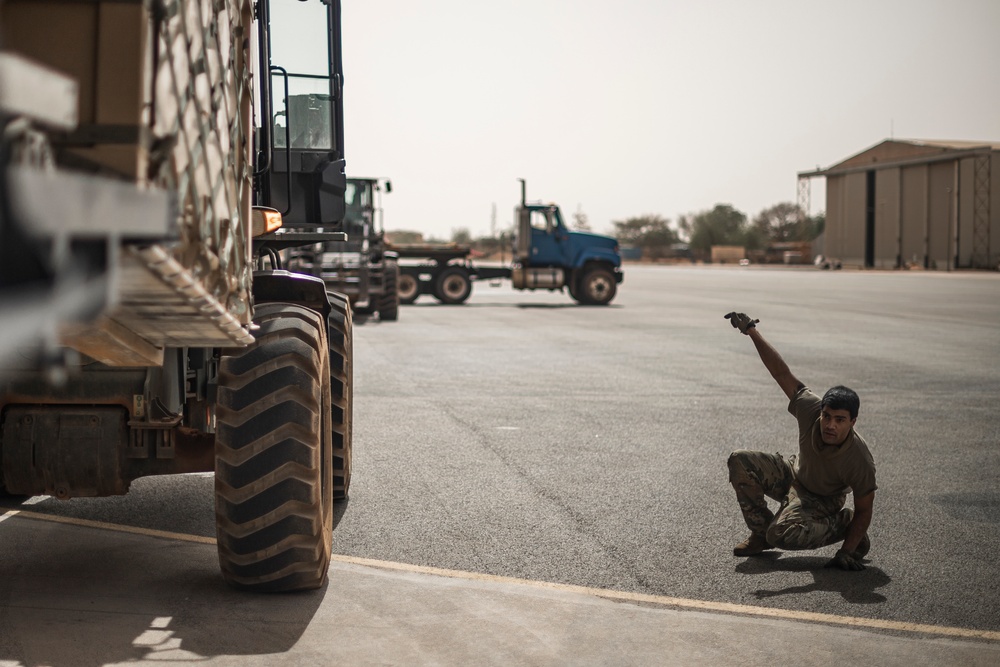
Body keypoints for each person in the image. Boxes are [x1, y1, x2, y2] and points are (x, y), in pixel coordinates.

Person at [723, 312, 876, 571]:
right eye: (827, 416)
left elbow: (864, 509)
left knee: (782, 534)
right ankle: (760, 534)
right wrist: (751, 331)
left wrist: (847, 550)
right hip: (795, 472)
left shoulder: (859, 459)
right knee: (740, 460)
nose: (830, 425)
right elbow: (781, 372)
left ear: (853, 422)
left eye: (840, 420)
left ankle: (843, 525)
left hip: (822, 498)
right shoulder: (810, 408)